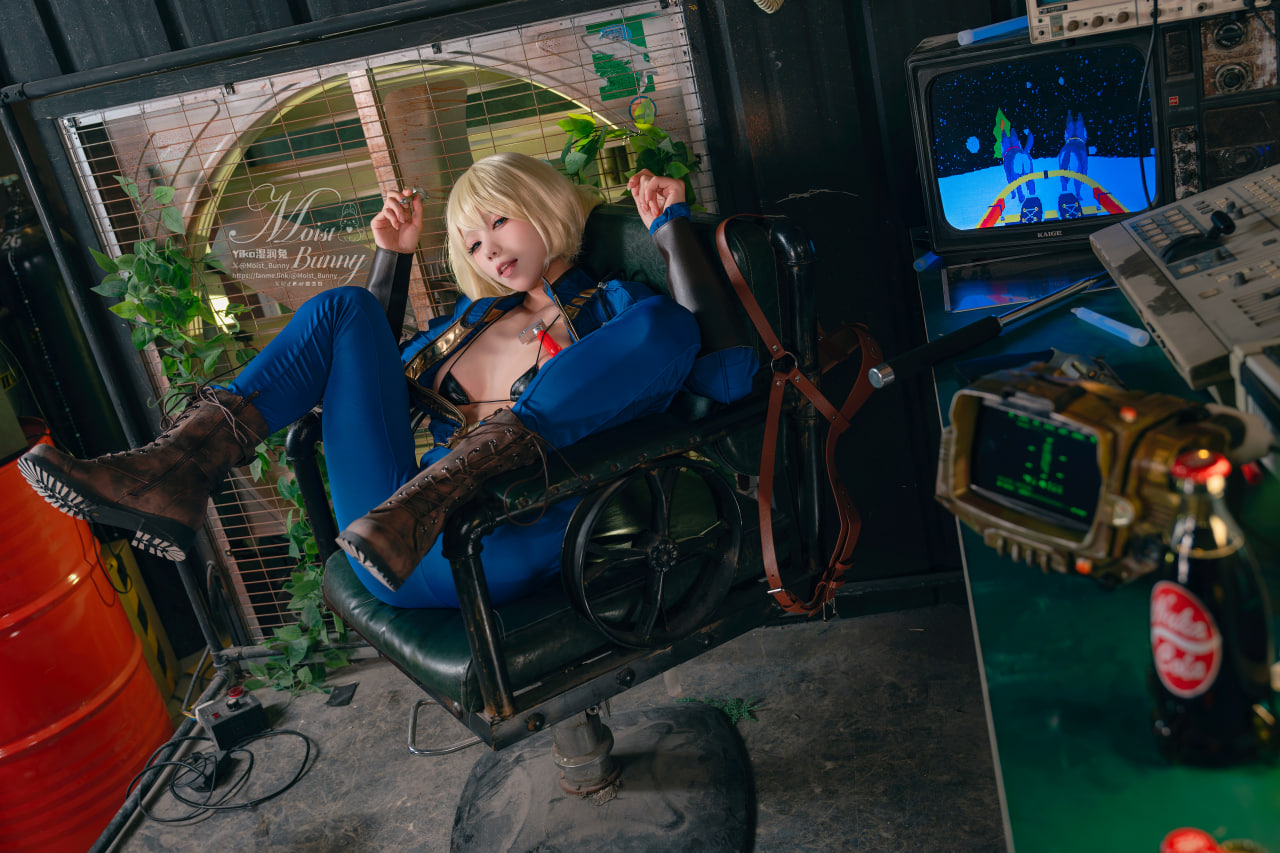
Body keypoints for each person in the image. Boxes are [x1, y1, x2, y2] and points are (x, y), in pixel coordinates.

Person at [19, 152, 756, 609]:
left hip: (499, 535)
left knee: (665, 323)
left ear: (543, 205)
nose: (490, 249)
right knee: (345, 309)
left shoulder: (623, 314)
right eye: (472, 242)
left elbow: (726, 378)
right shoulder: (470, 319)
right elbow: (370, 379)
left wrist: (672, 230)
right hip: (386, 538)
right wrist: (393, 260)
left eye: (500, 221)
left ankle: (431, 501)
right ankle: (173, 470)